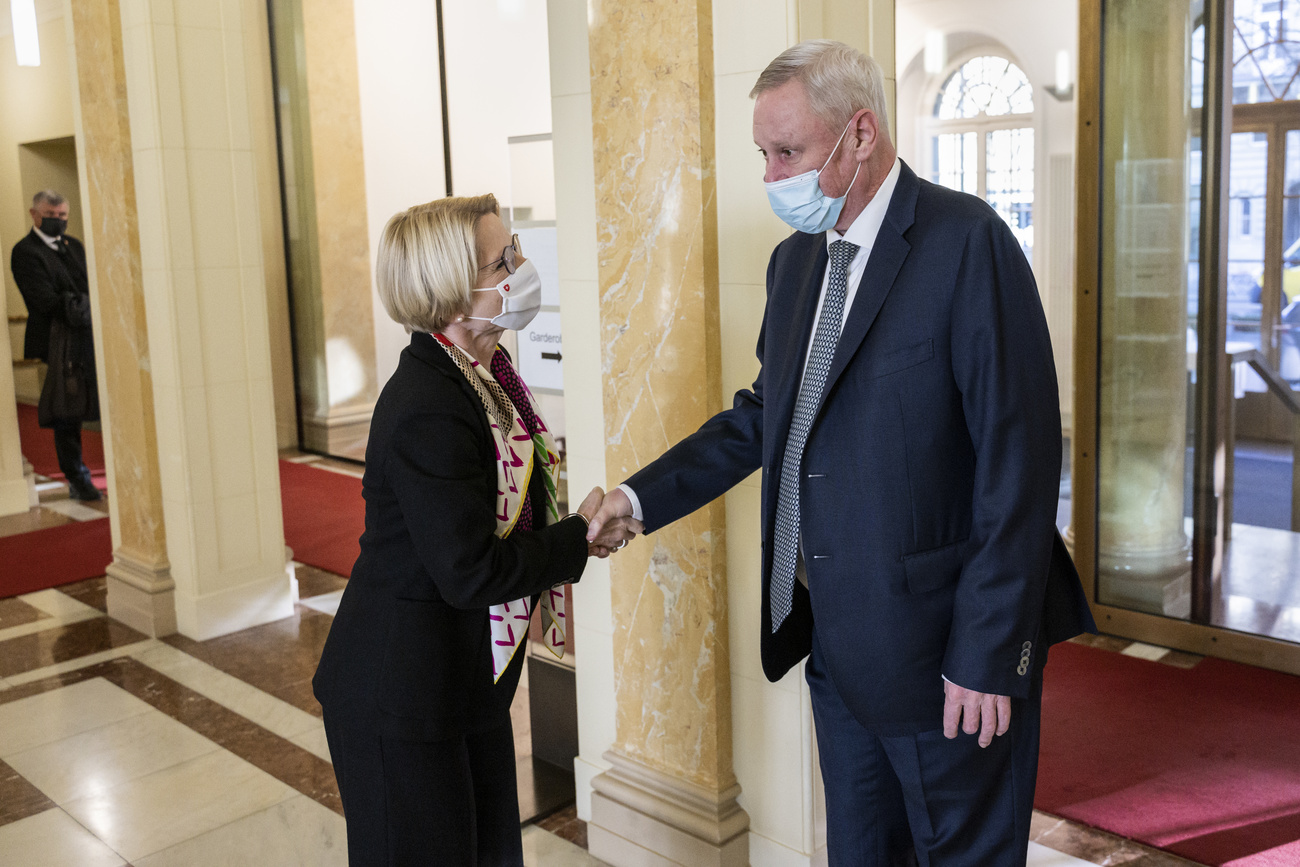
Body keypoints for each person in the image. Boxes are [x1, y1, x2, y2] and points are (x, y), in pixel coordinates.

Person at [586, 40, 1096, 865]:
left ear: (861, 134)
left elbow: (1020, 463)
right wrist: (637, 498)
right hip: (838, 653)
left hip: (946, 665)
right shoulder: (795, 266)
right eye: (763, 153)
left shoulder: (968, 243)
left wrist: (988, 652)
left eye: (787, 152)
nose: (770, 176)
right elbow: (764, 417)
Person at [313, 194, 639, 866]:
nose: (521, 268)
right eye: (503, 260)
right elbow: (471, 570)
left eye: (513, 250)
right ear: (451, 291)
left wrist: (575, 531)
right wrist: (578, 537)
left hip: (464, 682)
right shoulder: (428, 403)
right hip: (401, 691)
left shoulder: (484, 374)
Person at [10, 190, 101, 501]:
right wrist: (81, 305)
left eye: (63, 216)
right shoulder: (25, 252)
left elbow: (94, 286)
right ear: (35, 215)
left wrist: (79, 303)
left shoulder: (73, 246)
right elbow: (46, 301)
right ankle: (77, 476)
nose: (58, 221)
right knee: (69, 409)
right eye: (51, 215)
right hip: (55, 341)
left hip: (88, 335)